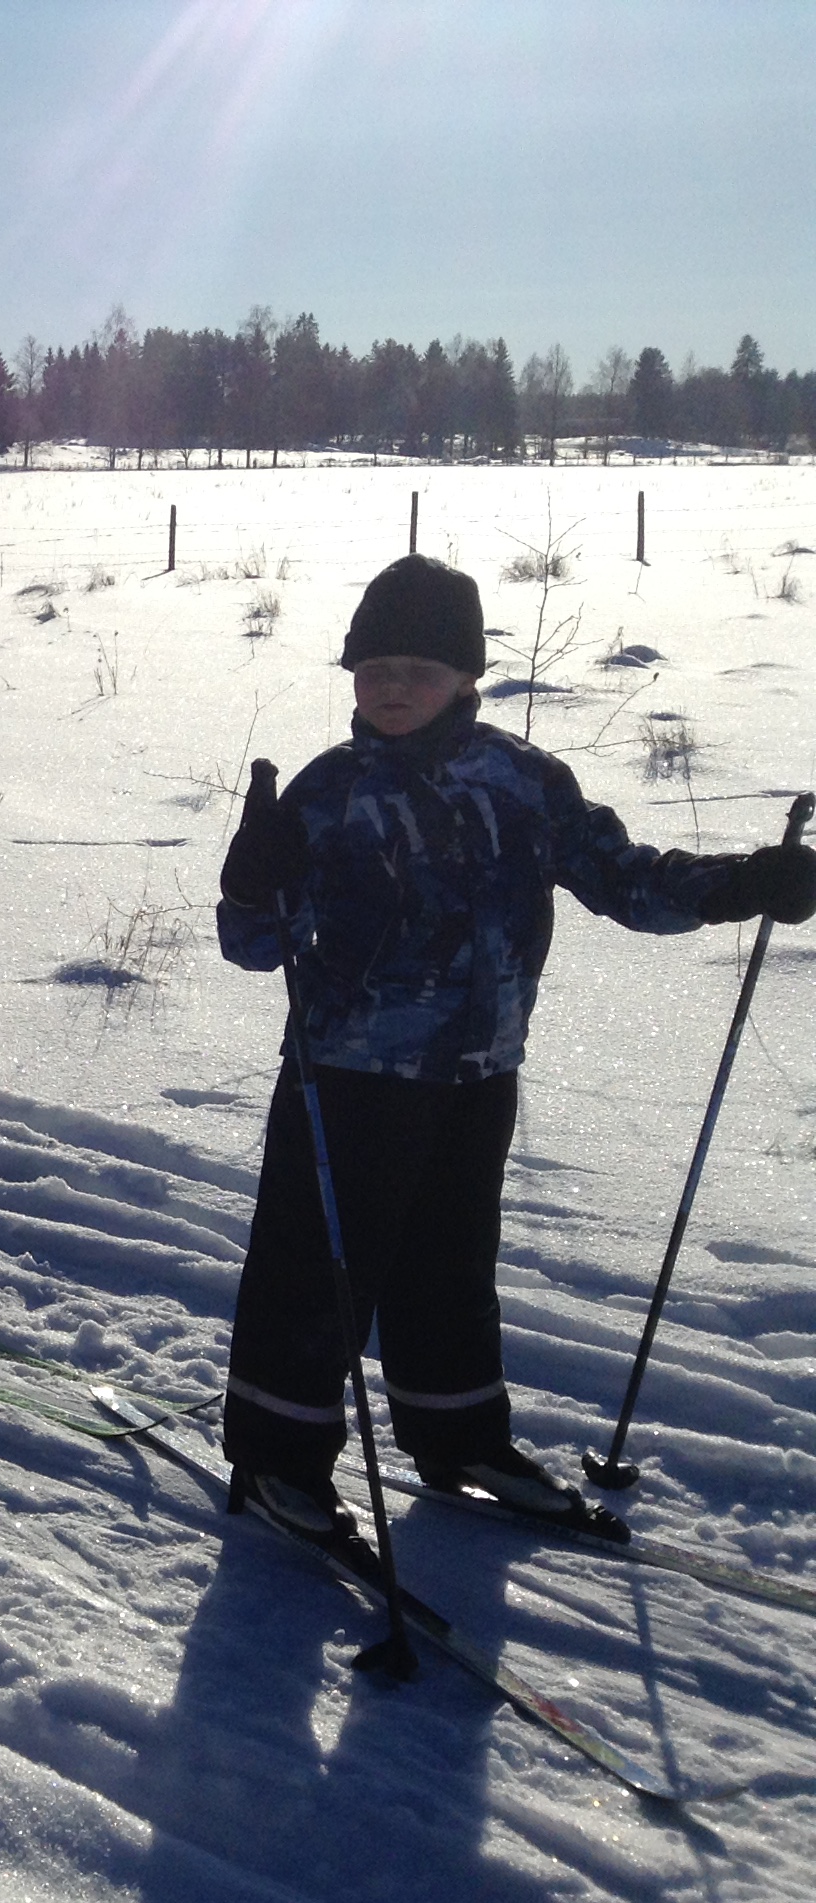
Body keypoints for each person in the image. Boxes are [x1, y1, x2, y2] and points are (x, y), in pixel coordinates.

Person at [215, 554, 816, 1541]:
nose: (392, 688)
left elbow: (623, 879)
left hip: (478, 1071)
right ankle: (279, 1458)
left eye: (417, 669)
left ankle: (459, 1436)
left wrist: (739, 886)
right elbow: (253, 946)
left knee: (450, 1265)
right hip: (347, 1079)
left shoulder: (526, 782)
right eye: (372, 670)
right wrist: (252, 880)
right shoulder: (327, 793)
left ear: (466, 675)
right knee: (316, 1272)